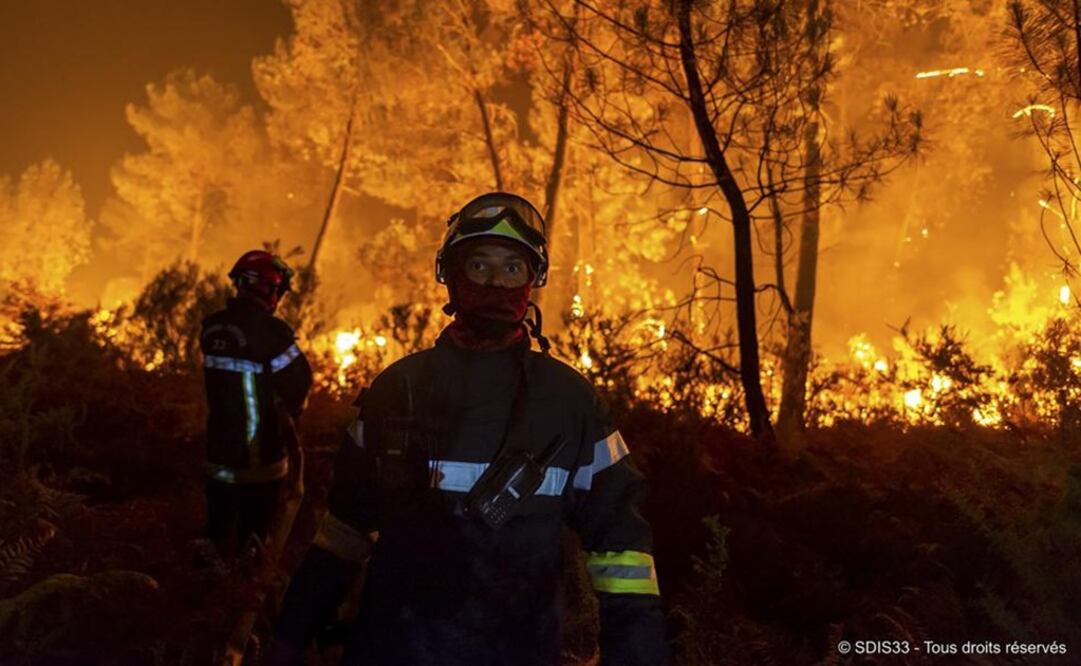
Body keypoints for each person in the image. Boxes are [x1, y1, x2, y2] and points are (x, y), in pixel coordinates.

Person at [268, 193, 668, 665]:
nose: (496, 282)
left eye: (512, 268)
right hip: (394, 649)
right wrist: (291, 635)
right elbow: (343, 529)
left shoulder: (569, 402)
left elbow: (622, 549)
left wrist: (636, 654)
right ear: (451, 277)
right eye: (479, 265)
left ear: (532, 282)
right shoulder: (397, 389)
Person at [199, 250, 313, 560]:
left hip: (218, 457)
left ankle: (203, 592)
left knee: (215, 536)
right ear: (268, 289)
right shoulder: (272, 334)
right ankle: (243, 595)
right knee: (254, 543)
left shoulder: (212, 328)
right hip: (262, 462)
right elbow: (299, 383)